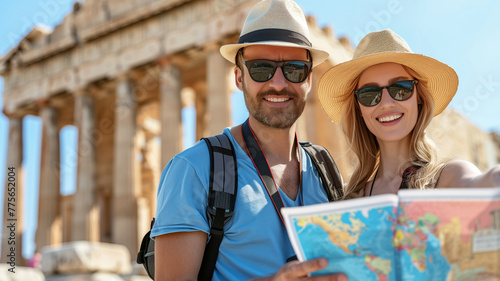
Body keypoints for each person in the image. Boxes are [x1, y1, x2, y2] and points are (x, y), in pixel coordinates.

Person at [151, 0, 347, 280]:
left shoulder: (324, 168)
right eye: (260, 69)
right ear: (239, 78)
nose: (278, 83)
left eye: (294, 69)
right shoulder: (193, 170)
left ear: (309, 80)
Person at [317, 29, 500, 199]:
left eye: (401, 89)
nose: (387, 103)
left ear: (419, 98)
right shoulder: (349, 197)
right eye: (369, 94)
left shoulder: (447, 179)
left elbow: (482, 185)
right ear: (359, 109)